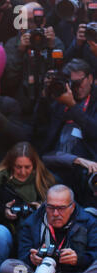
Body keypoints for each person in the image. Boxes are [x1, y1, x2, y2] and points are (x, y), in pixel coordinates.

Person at [0, 142, 56, 273]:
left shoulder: (44, 182)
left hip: (35, 235)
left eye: (27, 167)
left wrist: (41, 210)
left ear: (34, 166)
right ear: (11, 165)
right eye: (18, 167)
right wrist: (4, 211)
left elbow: (60, 214)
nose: (23, 171)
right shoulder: (0, 180)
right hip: (7, 231)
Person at [0, 185, 97, 273]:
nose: (55, 213)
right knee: (7, 267)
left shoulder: (89, 221)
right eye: (51, 207)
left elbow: (94, 253)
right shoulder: (31, 222)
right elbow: (22, 255)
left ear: (72, 207)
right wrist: (32, 259)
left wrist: (79, 259)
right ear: (45, 205)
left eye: (61, 208)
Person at [35, 58, 97, 208]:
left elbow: (94, 132)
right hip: (59, 164)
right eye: (72, 83)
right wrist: (45, 95)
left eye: (79, 82)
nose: (76, 88)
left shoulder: (94, 102)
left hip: (89, 167)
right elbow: (41, 137)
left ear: (90, 78)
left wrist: (73, 106)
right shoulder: (59, 101)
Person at [2, 2, 64, 116]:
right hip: (21, 106)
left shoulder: (54, 42)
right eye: (24, 21)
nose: (29, 25)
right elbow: (9, 81)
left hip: (49, 105)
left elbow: (60, 75)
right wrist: (20, 52)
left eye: (34, 20)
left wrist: (51, 48)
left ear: (43, 21)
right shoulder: (12, 44)